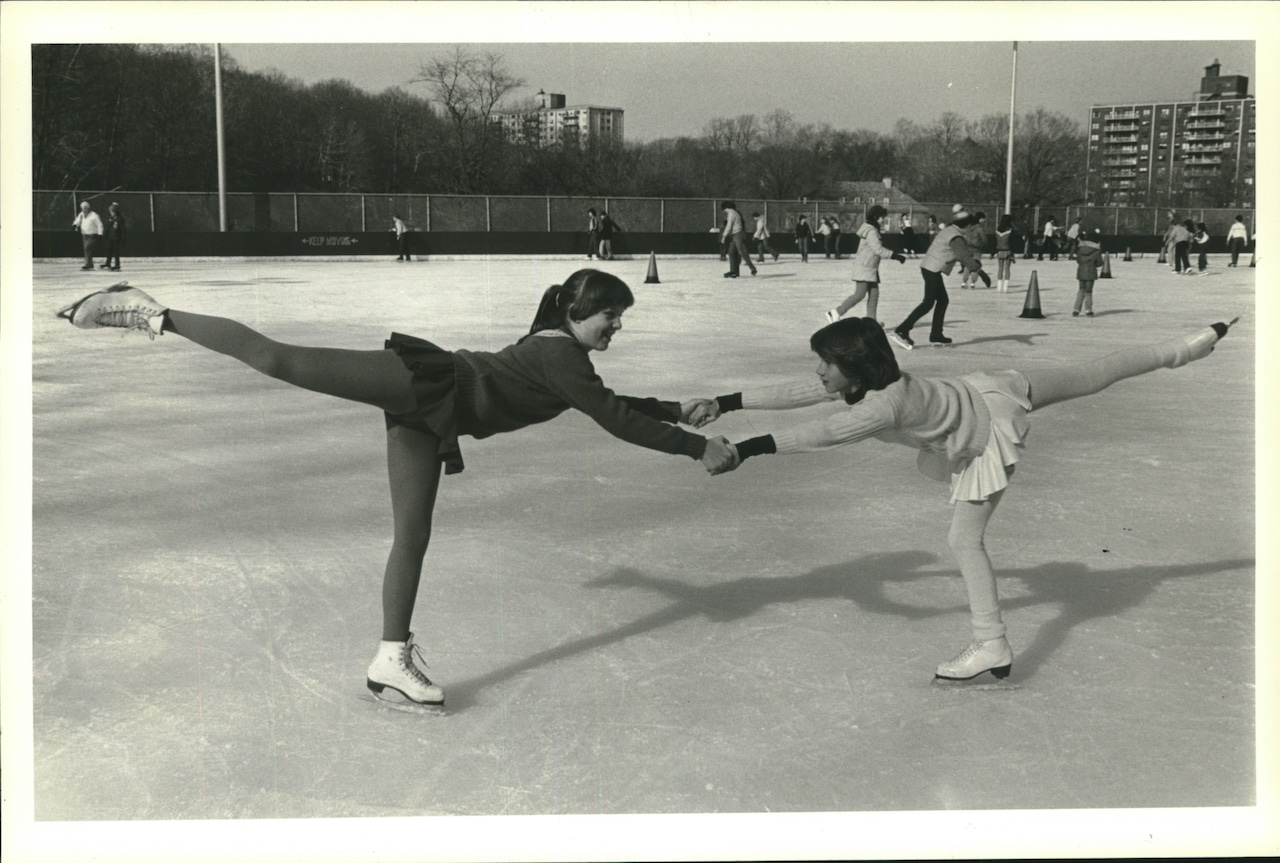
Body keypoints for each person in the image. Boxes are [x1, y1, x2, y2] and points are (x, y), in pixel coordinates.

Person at [54, 270, 736, 710]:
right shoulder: (562, 351)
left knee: (412, 533)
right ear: (581, 313)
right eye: (611, 316)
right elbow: (612, 416)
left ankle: (389, 657)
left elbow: (606, 400)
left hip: (432, 413)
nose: (616, 326)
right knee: (280, 358)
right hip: (423, 384)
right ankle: (149, 313)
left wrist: (679, 406)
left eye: (620, 317)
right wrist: (695, 444)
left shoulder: (566, 355)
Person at [689, 315, 1237, 682]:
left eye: (826, 364)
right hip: (988, 388)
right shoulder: (870, 380)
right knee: (1093, 374)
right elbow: (800, 393)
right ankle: (1191, 344)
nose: (818, 373)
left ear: (853, 369)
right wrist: (724, 401)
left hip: (985, 433)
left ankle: (991, 643)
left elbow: (824, 434)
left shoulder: (883, 407)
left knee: (963, 538)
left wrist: (747, 448)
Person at [889, 208, 983, 349]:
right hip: (932, 269)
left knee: (942, 300)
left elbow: (962, 250)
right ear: (967, 224)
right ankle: (902, 329)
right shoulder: (956, 237)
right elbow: (962, 255)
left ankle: (936, 334)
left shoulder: (951, 230)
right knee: (928, 303)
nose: (971, 228)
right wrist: (976, 267)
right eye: (970, 225)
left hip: (930, 266)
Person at [824, 205, 905, 324]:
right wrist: (895, 256)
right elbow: (878, 249)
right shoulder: (871, 231)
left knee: (874, 294)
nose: (883, 220)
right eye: (882, 217)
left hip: (870, 268)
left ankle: (871, 321)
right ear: (876, 217)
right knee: (860, 294)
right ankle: (835, 312)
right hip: (865, 267)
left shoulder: (872, 229)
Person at [720, 201, 757, 278]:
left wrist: (724, 236)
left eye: (724, 210)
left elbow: (729, 224)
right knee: (731, 252)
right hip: (736, 234)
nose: (724, 211)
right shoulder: (734, 213)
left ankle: (752, 268)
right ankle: (734, 271)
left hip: (738, 234)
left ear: (727, 208)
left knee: (742, 252)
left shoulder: (731, 213)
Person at [1072, 230, 1104, 317]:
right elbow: (1099, 263)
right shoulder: (1096, 251)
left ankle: (1076, 309)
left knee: (1081, 290)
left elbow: (1078, 260)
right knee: (1088, 291)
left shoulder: (1080, 249)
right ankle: (1088, 310)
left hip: (1081, 272)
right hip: (1091, 272)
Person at [960, 211, 992, 289]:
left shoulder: (968, 228)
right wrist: (986, 246)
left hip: (968, 249)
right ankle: (972, 282)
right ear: (980, 219)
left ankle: (964, 282)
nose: (984, 221)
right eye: (983, 219)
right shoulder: (979, 229)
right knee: (975, 266)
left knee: (967, 266)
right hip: (977, 250)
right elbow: (984, 239)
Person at [73, 200, 104, 271]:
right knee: (87, 250)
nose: (84, 209)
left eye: (85, 208)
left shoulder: (94, 215)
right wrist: (75, 225)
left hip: (93, 235)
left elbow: (100, 225)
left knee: (87, 249)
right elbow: (78, 221)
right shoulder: (81, 214)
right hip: (84, 235)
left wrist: (100, 234)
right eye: (83, 208)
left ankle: (88, 264)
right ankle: (90, 264)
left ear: (88, 208)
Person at [99, 202, 126, 272]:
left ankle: (117, 265)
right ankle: (108, 263)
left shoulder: (119, 219)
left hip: (117, 238)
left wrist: (123, 238)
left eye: (112, 212)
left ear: (115, 212)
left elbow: (122, 229)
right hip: (111, 237)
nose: (110, 213)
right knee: (109, 250)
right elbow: (108, 227)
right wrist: (106, 235)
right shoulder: (111, 218)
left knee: (116, 251)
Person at [994, 214, 1016, 293]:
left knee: (1000, 268)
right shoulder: (1010, 231)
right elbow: (1012, 243)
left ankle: (999, 287)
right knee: (1007, 269)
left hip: (999, 251)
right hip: (1008, 251)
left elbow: (994, 241)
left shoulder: (997, 230)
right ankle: (1005, 287)